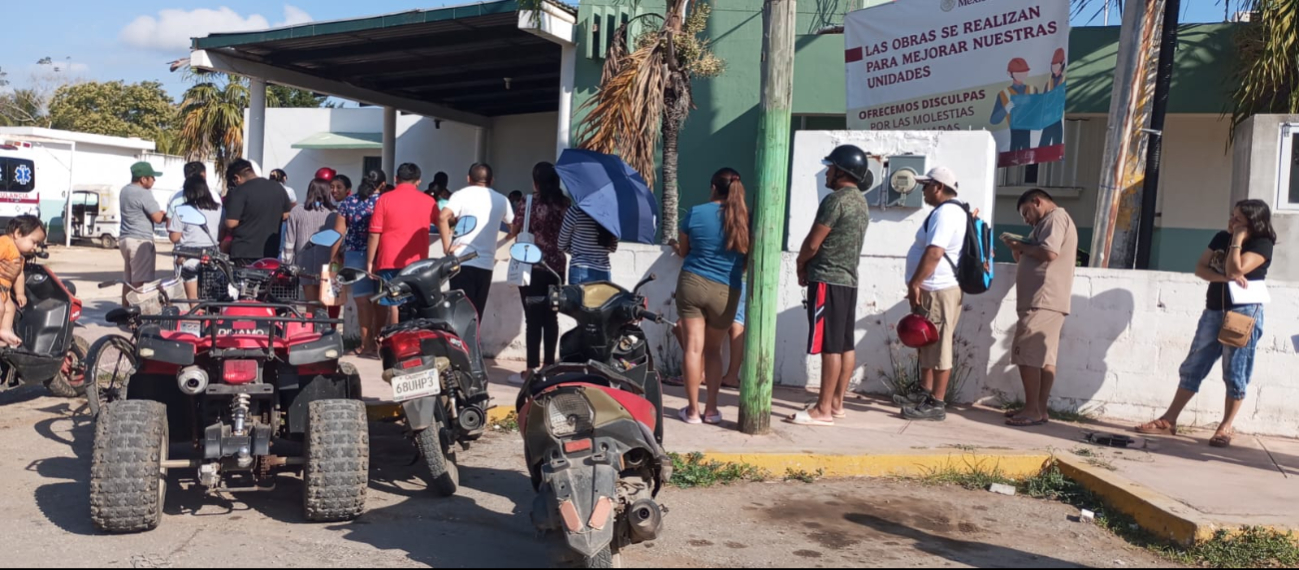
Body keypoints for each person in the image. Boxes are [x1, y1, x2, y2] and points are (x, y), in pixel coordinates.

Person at [1137, 200, 1276, 448]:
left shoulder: (1261, 243)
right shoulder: (1221, 237)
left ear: (1252, 223)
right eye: (1232, 216)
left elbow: (1238, 268)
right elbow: (1202, 268)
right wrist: (1224, 277)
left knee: (1234, 370)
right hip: (1214, 309)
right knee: (1194, 364)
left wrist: (1238, 241)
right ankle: (1169, 419)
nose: (1231, 222)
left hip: (1242, 311)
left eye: (1238, 220)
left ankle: (1225, 426)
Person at [788, 145, 872, 427]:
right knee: (844, 343)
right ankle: (836, 403)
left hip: (827, 279)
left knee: (829, 346)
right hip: (848, 281)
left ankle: (822, 410)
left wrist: (801, 264)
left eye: (830, 167)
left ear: (841, 171)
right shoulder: (861, 201)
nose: (826, 172)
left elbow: (813, 242)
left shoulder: (834, 201)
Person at [672, 168, 749, 425]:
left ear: (713, 187)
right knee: (714, 350)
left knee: (693, 347)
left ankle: (692, 411)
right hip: (727, 288)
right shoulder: (744, 218)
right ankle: (712, 410)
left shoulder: (696, 212)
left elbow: (684, 250)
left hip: (693, 282)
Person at [1001, 189, 1078, 427]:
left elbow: (1048, 252)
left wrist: (1021, 246)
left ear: (1037, 201)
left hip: (1042, 299)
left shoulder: (1054, 217)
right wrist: (1019, 248)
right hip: (1048, 300)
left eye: (1026, 212)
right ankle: (1038, 408)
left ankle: (1032, 409)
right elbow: (1037, 254)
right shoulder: (1050, 221)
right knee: (1044, 358)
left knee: (1028, 355)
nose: (1026, 219)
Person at [897, 167, 967, 422]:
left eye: (925, 185)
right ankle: (924, 393)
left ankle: (936, 403)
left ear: (938, 187)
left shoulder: (946, 213)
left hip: (939, 288)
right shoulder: (949, 211)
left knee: (939, 345)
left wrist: (915, 283)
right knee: (926, 342)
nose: (923, 190)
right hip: (934, 288)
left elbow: (935, 252)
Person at [506, 162, 571, 385]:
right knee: (551, 316)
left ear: (536, 181)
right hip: (556, 268)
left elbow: (515, 230)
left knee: (533, 319)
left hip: (530, 266)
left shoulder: (528, 201)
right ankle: (550, 365)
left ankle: (531, 369)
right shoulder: (565, 204)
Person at [438, 163, 513, 318]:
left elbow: (442, 216)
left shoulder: (461, 195)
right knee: (477, 313)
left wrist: (447, 247)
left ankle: (459, 342)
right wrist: (507, 238)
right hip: (486, 263)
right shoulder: (502, 200)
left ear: (468, 178)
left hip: (460, 261)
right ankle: (474, 341)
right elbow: (514, 227)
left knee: (459, 313)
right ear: (492, 180)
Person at [370, 163, 440, 325]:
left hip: (388, 258)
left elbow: (374, 233)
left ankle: (395, 339)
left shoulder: (384, 199)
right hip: (418, 262)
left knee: (394, 302)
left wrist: (370, 261)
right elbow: (442, 221)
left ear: (396, 179)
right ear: (418, 182)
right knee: (414, 302)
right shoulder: (428, 201)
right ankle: (411, 339)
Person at [332, 170, 385, 357]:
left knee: (362, 302)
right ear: (383, 184)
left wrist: (333, 257)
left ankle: (365, 345)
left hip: (354, 254)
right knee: (381, 301)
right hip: (380, 254)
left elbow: (338, 233)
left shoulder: (349, 202)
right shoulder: (384, 201)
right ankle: (379, 343)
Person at [223, 159, 293, 265]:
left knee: (244, 281)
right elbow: (286, 215)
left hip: (243, 252)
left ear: (237, 178)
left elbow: (231, 223)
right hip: (270, 250)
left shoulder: (238, 192)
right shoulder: (277, 187)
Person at [166, 177, 223, 305]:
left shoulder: (182, 210)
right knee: (209, 296)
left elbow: (174, 237)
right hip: (211, 253)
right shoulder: (218, 208)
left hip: (189, 255)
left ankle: (194, 314)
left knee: (193, 299)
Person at [285, 178, 341, 306]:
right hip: (328, 263)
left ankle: (311, 325)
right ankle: (324, 325)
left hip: (304, 262)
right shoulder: (334, 213)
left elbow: (289, 241)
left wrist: (287, 264)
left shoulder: (297, 211)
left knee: (310, 303)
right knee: (326, 303)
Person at [119, 161, 167, 305]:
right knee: (140, 282)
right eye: (152, 177)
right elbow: (158, 218)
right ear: (143, 179)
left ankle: (125, 310)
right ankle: (137, 313)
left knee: (129, 280)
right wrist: (165, 215)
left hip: (125, 238)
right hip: (140, 240)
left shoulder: (125, 191)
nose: (154, 180)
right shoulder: (144, 193)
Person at [0, 216, 45, 346]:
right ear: (18, 233)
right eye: (34, 242)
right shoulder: (5, 243)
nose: (35, 247)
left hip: (5, 291)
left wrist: (20, 293)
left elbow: (19, 275)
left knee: (10, 308)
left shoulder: (19, 256)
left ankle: (5, 330)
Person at [990, 58, 1039, 152]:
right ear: (1010, 74)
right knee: (1014, 153)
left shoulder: (1033, 90)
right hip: (1013, 133)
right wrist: (1005, 110)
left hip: (1029, 132)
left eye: (1024, 72)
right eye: (1018, 73)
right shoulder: (1003, 94)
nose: (1022, 75)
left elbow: (1039, 112)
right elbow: (994, 120)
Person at [559, 205, 617, 284]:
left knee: (579, 296)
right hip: (604, 271)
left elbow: (561, 244)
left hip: (580, 269)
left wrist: (578, 252)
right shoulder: (611, 215)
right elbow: (613, 248)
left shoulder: (576, 211)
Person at [1040, 48, 1067, 148]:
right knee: (1044, 142)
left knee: (1057, 142)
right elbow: (1043, 101)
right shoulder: (1049, 83)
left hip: (1058, 117)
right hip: (1048, 118)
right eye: (1053, 65)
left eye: (1057, 65)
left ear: (1062, 64)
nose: (1054, 67)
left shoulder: (1065, 81)